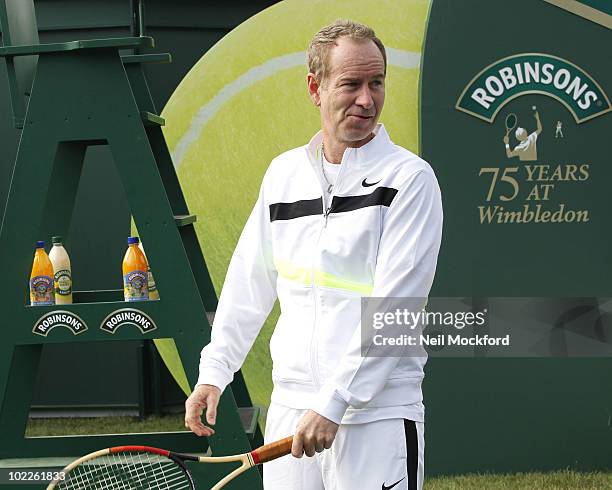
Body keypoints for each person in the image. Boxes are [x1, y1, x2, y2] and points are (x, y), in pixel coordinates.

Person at [184, 19, 443, 490]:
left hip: (376, 416)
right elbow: (249, 284)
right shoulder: (283, 176)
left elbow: (396, 306)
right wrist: (215, 372)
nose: (367, 99)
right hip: (291, 413)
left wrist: (336, 400)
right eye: (351, 84)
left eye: (377, 83)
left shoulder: (411, 179)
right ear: (315, 88)